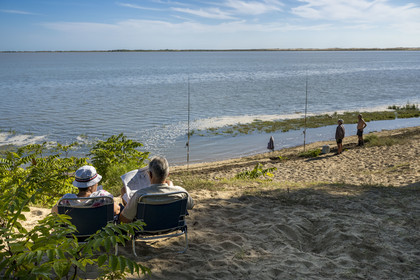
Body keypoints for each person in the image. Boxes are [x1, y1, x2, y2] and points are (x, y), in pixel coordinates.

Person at [119, 156, 194, 223]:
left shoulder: (140, 195)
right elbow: (191, 205)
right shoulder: (181, 192)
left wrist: (126, 205)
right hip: (173, 225)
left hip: (146, 229)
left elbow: (124, 219)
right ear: (168, 174)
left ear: (150, 174)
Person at [51, 165, 120, 215]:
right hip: (99, 234)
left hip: (73, 234)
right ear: (91, 186)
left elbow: (54, 212)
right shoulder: (103, 196)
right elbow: (116, 211)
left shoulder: (66, 199)